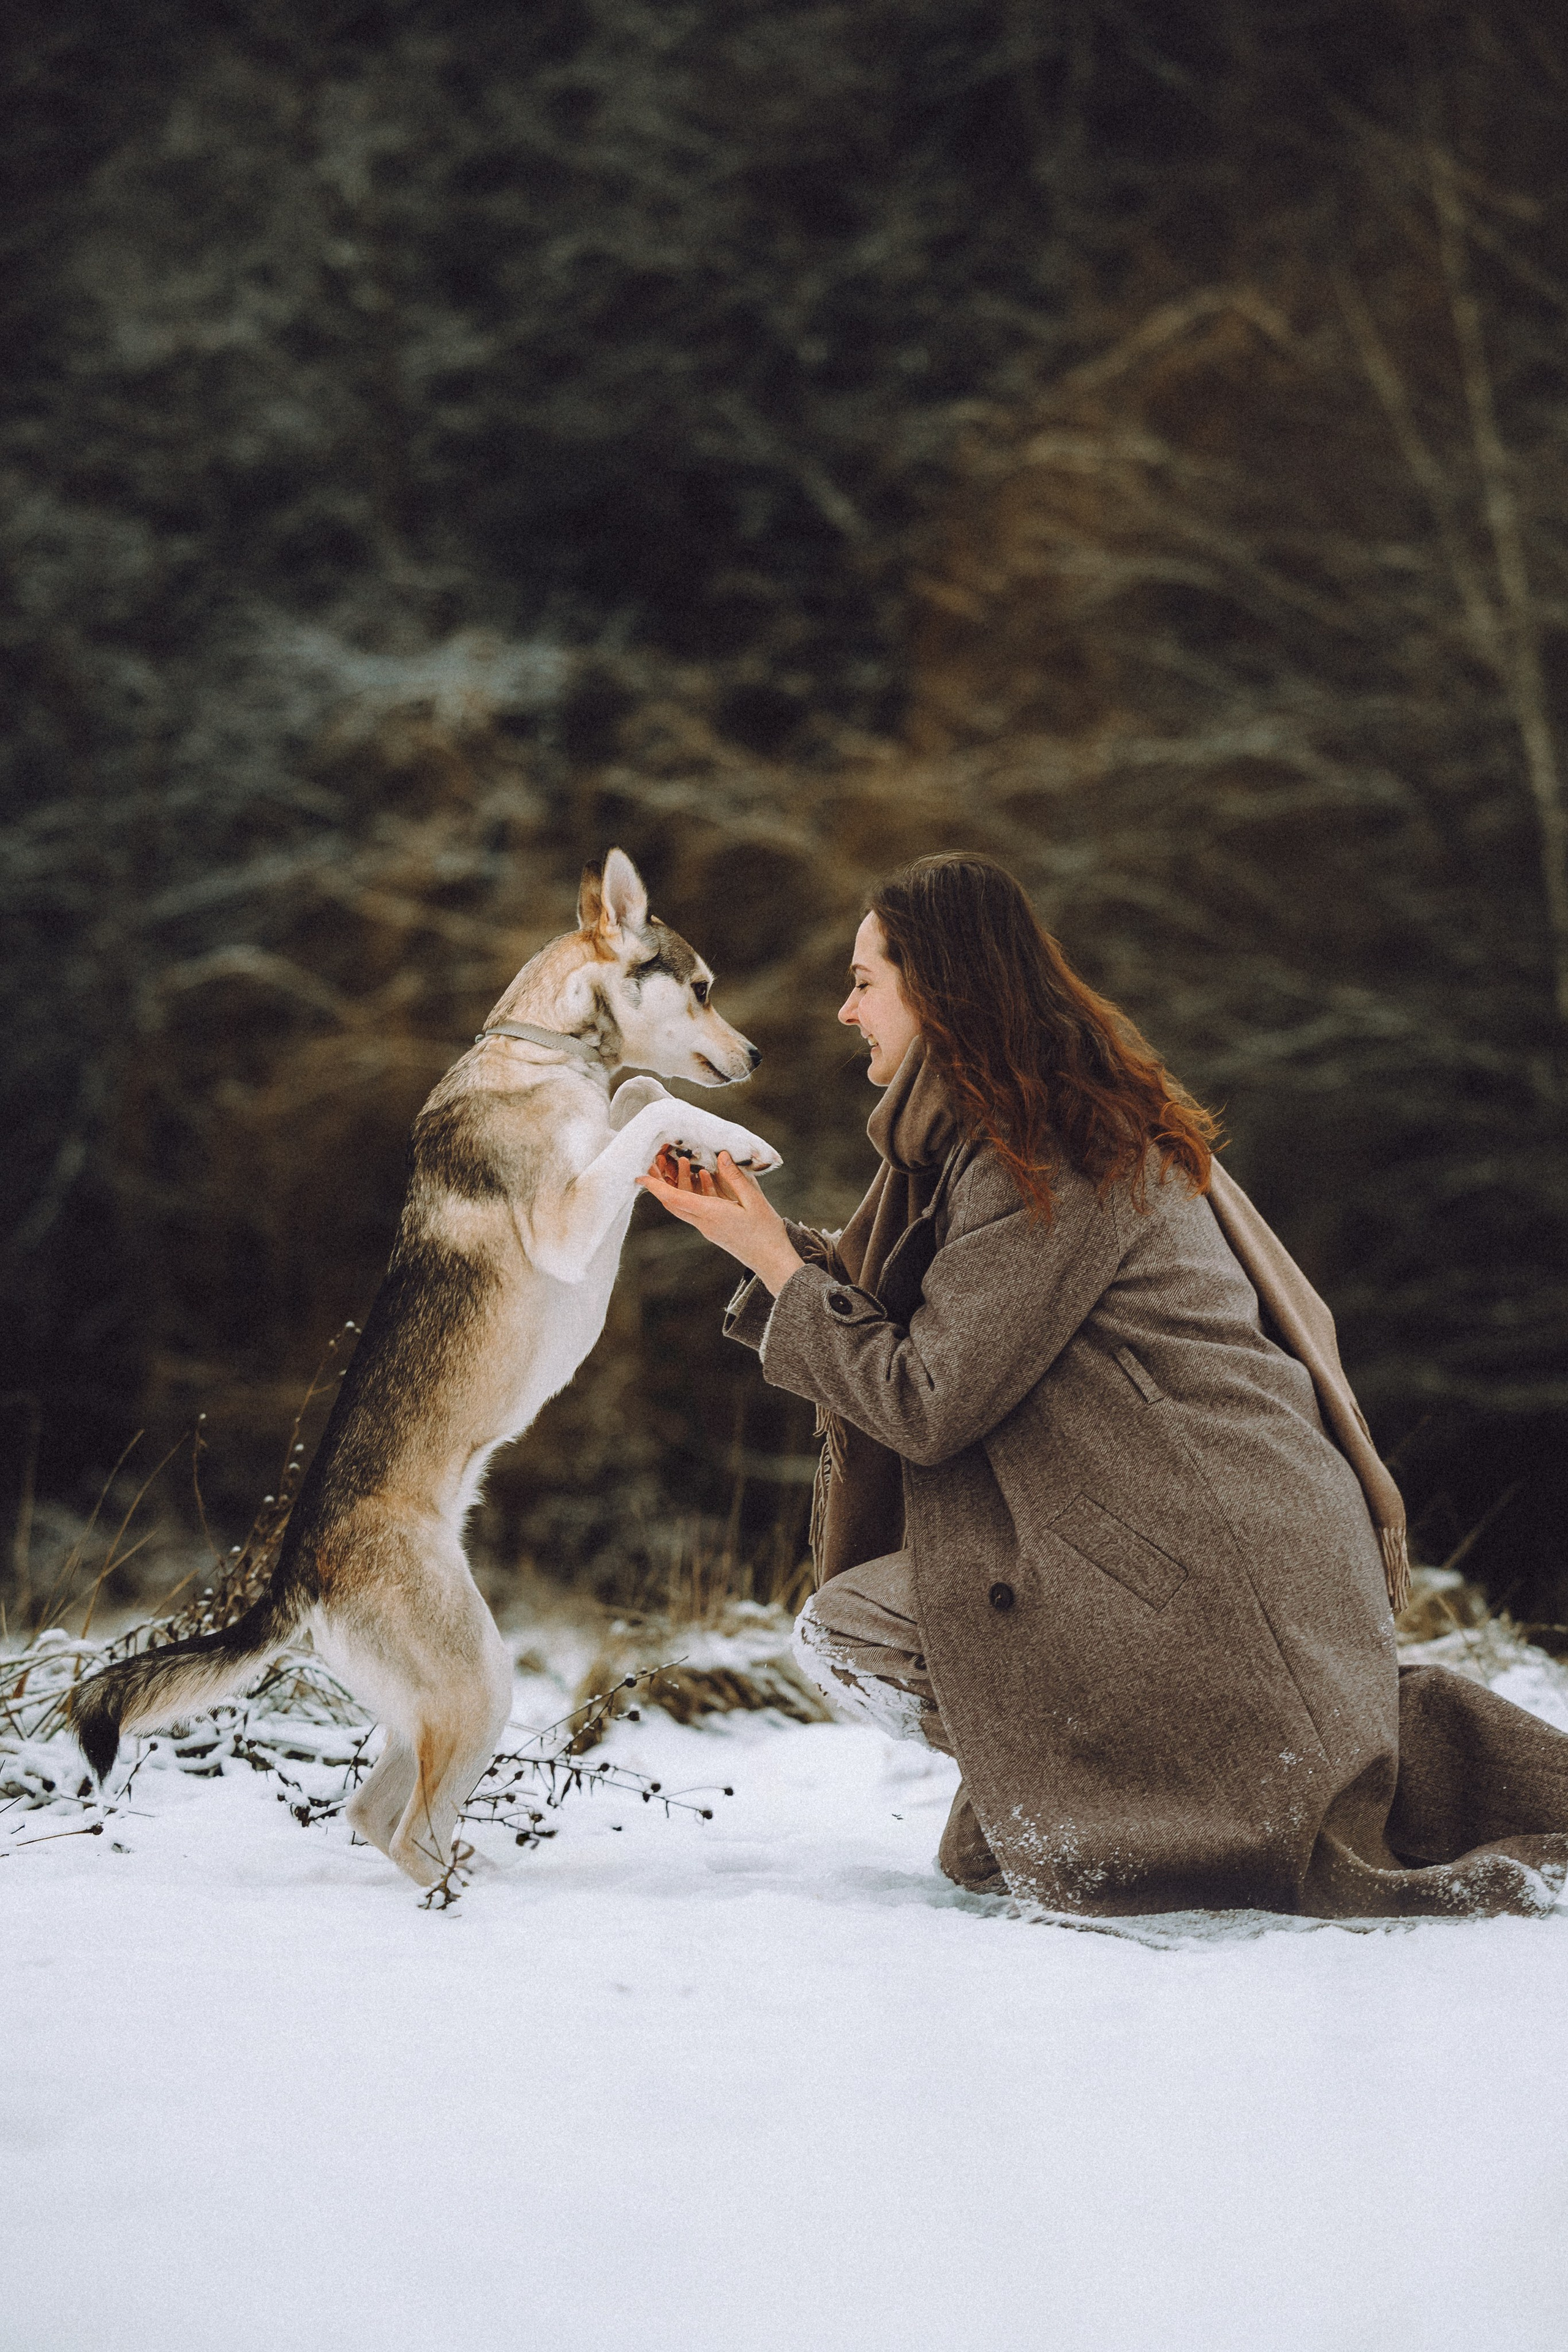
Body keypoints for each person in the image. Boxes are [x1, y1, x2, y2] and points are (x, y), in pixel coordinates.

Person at [636, 853, 1568, 1918]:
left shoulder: (1049, 1151)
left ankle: (1170, 1783)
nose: (844, 1011)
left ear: (936, 989)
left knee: (851, 1630)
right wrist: (743, 1231)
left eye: (863, 981)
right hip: (1188, 1535)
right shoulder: (1001, 1138)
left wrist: (776, 1264)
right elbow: (926, 1314)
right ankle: (1154, 1766)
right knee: (866, 1626)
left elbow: (928, 1398)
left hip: (1205, 1555)